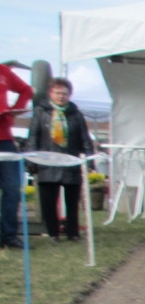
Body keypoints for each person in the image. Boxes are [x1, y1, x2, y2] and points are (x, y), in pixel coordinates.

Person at [26, 78, 93, 241]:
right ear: (51, 93)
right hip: (48, 162)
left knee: (72, 202)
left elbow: (85, 138)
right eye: (57, 93)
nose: (61, 96)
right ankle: (53, 233)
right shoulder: (40, 112)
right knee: (48, 202)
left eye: (64, 93)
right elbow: (33, 137)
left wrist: (89, 161)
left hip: (71, 162)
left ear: (69, 95)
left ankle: (73, 233)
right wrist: (31, 161)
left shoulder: (76, 114)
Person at [0, 60, 33, 249]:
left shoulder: (3, 71)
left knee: (12, 188)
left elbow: (26, 90)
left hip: (5, 139)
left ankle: (9, 236)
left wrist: (13, 111)